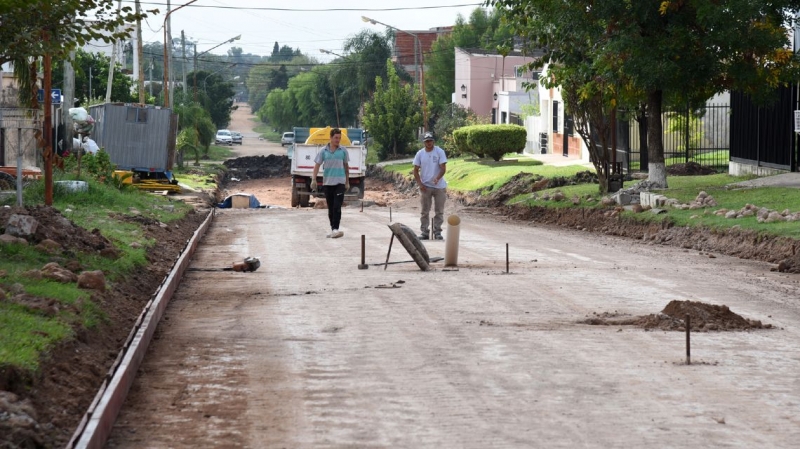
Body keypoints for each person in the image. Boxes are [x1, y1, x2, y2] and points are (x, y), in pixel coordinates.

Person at [311, 128, 350, 239]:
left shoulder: (343, 151)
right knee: (331, 207)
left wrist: (347, 182)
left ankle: (336, 229)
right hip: (327, 183)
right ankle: (333, 229)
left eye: (339, 138)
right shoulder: (323, 151)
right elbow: (317, 165)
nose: (338, 140)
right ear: (331, 138)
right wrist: (313, 179)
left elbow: (346, 166)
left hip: (340, 183)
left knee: (337, 206)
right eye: (336, 138)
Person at [413, 131, 447, 240]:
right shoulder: (420, 154)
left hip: (439, 186)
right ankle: (424, 232)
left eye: (430, 141)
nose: (429, 143)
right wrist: (420, 184)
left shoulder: (439, 152)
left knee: (439, 211)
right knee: (424, 211)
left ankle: (437, 232)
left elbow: (443, 168)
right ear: (424, 143)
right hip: (425, 186)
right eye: (427, 141)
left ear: (433, 141)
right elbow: (415, 170)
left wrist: (437, 178)